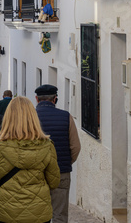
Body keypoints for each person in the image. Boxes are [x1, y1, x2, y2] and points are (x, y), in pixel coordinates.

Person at [0, 96, 61, 223]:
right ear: (33, 117)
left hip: (5, 211)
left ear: (8, 117)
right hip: (38, 212)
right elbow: (54, 182)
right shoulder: (47, 145)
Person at [34, 84, 81, 223]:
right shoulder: (66, 117)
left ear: (37, 99)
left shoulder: (30, 118)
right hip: (61, 171)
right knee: (59, 214)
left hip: (35, 172)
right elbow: (76, 147)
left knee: (37, 213)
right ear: (55, 99)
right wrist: (66, 161)